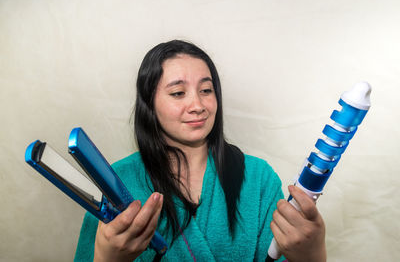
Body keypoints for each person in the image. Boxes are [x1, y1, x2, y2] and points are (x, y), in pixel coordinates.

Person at [74, 40, 326, 262]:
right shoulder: (117, 181)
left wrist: (313, 257)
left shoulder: (257, 177)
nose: (197, 105)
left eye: (206, 90)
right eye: (177, 93)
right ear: (149, 104)